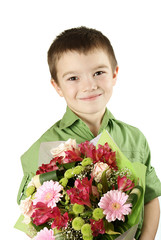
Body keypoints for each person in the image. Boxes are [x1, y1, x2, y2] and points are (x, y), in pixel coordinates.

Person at [16, 26, 161, 239]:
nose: (89, 85)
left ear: (114, 74)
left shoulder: (135, 138)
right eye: (73, 78)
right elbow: (33, 220)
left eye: (99, 73)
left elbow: (150, 198)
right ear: (57, 87)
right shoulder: (43, 147)